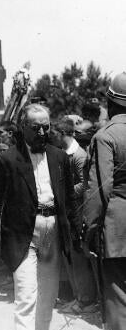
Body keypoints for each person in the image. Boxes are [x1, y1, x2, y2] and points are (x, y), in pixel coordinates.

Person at [0, 104, 78, 330]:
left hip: (52, 230)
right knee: (26, 294)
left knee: (48, 291)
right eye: (36, 128)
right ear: (23, 128)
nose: (43, 132)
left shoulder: (59, 157)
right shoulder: (7, 160)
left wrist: (75, 234)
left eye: (47, 126)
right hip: (23, 233)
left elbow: (68, 199)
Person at [85, 72, 126, 330]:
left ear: (110, 101)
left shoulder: (105, 136)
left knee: (119, 298)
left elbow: (100, 188)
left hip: (118, 226)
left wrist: (90, 227)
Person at [55, 117, 96, 314]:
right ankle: (78, 296)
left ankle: (86, 300)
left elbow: (85, 183)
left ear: (63, 134)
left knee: (79, 258)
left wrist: (64, 192)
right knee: (70, 256)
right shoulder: (65, 154)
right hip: (68, 212)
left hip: (77, 213)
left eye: (55, 134)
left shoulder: (79, 156)